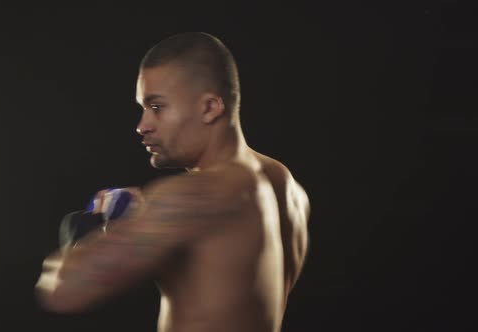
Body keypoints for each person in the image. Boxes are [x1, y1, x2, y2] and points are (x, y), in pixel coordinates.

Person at [35, 32, 310, 332]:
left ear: (210, 108)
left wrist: (90, 230)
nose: (142, 126)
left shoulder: (194, 195)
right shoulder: (285, 184)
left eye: (156, 107)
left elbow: (64, 290)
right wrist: (145, 217)